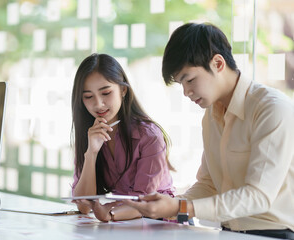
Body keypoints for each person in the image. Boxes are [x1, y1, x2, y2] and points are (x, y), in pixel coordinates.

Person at [124, 23, 294, 239]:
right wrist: (171, 204)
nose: (186, 92)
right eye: (181, 84)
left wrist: (180, 208)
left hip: (273, 234)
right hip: (228, 232)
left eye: (190, 80)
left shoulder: (271, 109)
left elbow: (258, 196)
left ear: (218, 63)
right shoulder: (212, 116)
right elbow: (209, 184)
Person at [70, 53, 175, 222]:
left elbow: (144, 202)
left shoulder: (149, 137)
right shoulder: (91, 135)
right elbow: (83, 205)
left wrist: (110, 214)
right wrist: (91, 154)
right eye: (88, 96)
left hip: (161, 224)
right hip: (123, 224)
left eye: (105, 93)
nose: (98, 104)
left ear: (123, 90)